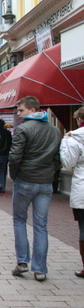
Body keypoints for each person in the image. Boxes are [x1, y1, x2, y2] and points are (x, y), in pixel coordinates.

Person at [10, 96, 62, 282]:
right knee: (41, 225)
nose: (19, 114)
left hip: (25, 179)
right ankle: (40, 269)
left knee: (19, 220)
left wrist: (14, 175)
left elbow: (15, 157)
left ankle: (23, 261)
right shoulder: (55, 130)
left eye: (21, 110)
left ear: (33, 110)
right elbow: (57, 157)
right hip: (45, 182)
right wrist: (52, 175)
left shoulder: (23, 129)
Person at [60, 107, 84, 278]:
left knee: (83, 227)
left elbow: (68, 162)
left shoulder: (74, 138)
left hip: (82, 186)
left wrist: (65, 142)